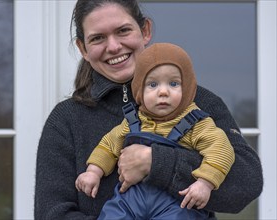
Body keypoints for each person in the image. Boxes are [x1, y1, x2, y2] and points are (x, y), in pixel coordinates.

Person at [34, 0, 263, 219]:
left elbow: (246, 183)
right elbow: (51, 213)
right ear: (83, 48)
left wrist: (155, 163)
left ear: (145, 30)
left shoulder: (198, 102)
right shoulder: (66, 120)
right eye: (98, 38)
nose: (113, 46)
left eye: (123, 31)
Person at [75, 43, 235, 219]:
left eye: (174, 83)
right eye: (152, 84)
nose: (163, 92)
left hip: (175, 203)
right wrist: (93, 172)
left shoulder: (196, 123)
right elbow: (108, 145)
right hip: (130, 199)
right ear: (139, 90)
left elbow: (221, 150)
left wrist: (205, 183)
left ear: (188, 87)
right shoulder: (132, 121)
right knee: (112, 214)